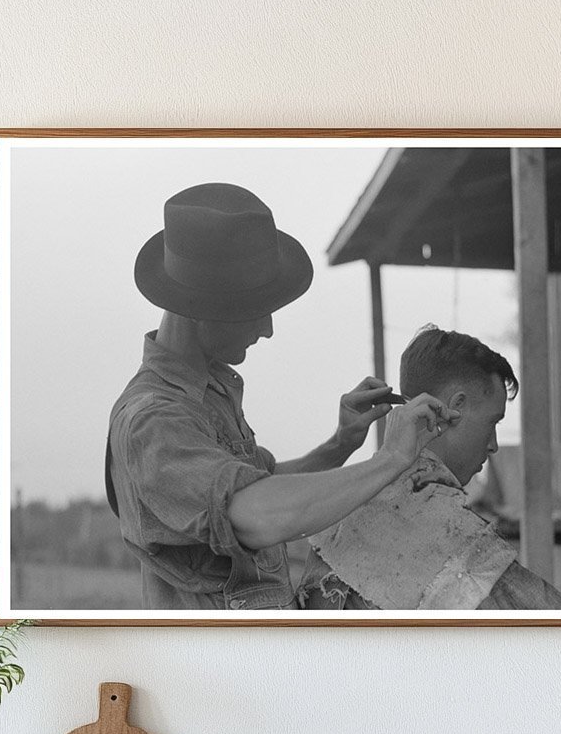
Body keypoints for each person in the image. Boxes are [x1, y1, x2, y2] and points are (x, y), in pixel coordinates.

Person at [106, 183, 457, 610]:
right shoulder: (152, 421)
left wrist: (340, 444)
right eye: (258, 308)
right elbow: (258, 516)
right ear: (202, 308)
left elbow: (264, 490)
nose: (267, 328)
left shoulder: (210, 393)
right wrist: (391, 458)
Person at [305, 325, 561, 611]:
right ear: (454, 407)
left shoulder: (339, 508)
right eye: (492, 422)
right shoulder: (441, 521)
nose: (492, 445)